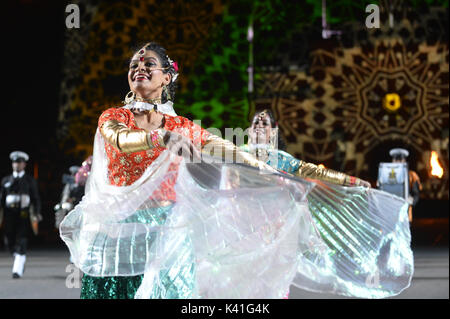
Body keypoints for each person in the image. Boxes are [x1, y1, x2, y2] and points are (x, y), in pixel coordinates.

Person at [60, 42, 413, 299]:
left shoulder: (181, 124)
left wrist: (268, 170)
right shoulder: (114, 117)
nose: (139, 67)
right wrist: (159, 137)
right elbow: (120, 140)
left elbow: (222, 148)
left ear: (167, 77)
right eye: (135, 63)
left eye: (148, 63)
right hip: (118, 233)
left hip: (167, 234)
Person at [1, 151, 41, 279]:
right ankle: (18, 255)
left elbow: (36, 198)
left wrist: (37, 212)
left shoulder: (29, 180)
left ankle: (17, 268)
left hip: (23, 213)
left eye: (19, 162)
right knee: (9, 240)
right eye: (14, 162)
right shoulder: (6, 180)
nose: (16, 165)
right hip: (9, 213)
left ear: (24, 164)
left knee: (21, 238)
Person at [390, 148, 422, 222]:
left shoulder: (412, 175)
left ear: (404, 161)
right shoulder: (386, 174)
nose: (397, 162)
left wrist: (412, 200)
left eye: (400, 160)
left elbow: (416, 194)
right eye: (395, 160)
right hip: (390, 211)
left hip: (405, 213)